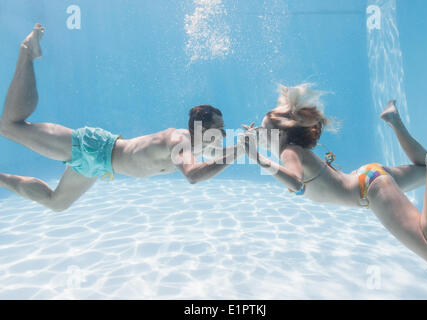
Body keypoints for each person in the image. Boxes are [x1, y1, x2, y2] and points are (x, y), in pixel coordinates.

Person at [0, 24, 245, 212]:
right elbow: (193, 175)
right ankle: (27, 52)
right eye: (219, 131)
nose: (222, 135)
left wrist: (245, 144)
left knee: (57, 203)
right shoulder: (180, 143)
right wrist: (239, 150)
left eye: (223, 131)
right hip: (95, 147)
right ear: (200, 130)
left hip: (99, 165)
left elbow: (214, 156)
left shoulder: (201, 145)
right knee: (10, 128)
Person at [242, 83, 427, 267]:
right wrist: (254, 144)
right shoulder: (291, 149)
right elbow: (276, 151)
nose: (259, 132)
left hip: (370, 189)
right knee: (423, 169)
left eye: (264, 130)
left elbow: (296, 183)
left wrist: (259, 159)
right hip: (367, 176)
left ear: (282, 134)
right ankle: (394, 121)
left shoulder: (289, 152)